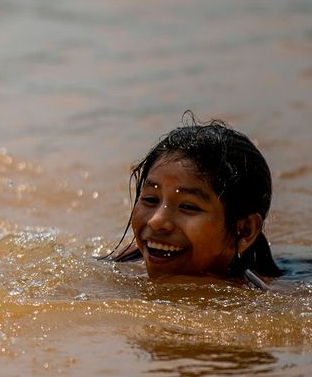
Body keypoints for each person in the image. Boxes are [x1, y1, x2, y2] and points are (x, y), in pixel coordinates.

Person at [105, 118, 283, 289]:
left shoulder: (264, 306)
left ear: (244, 230)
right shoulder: (118, 268)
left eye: (188, 207)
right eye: (150, 199)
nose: (156, 221)